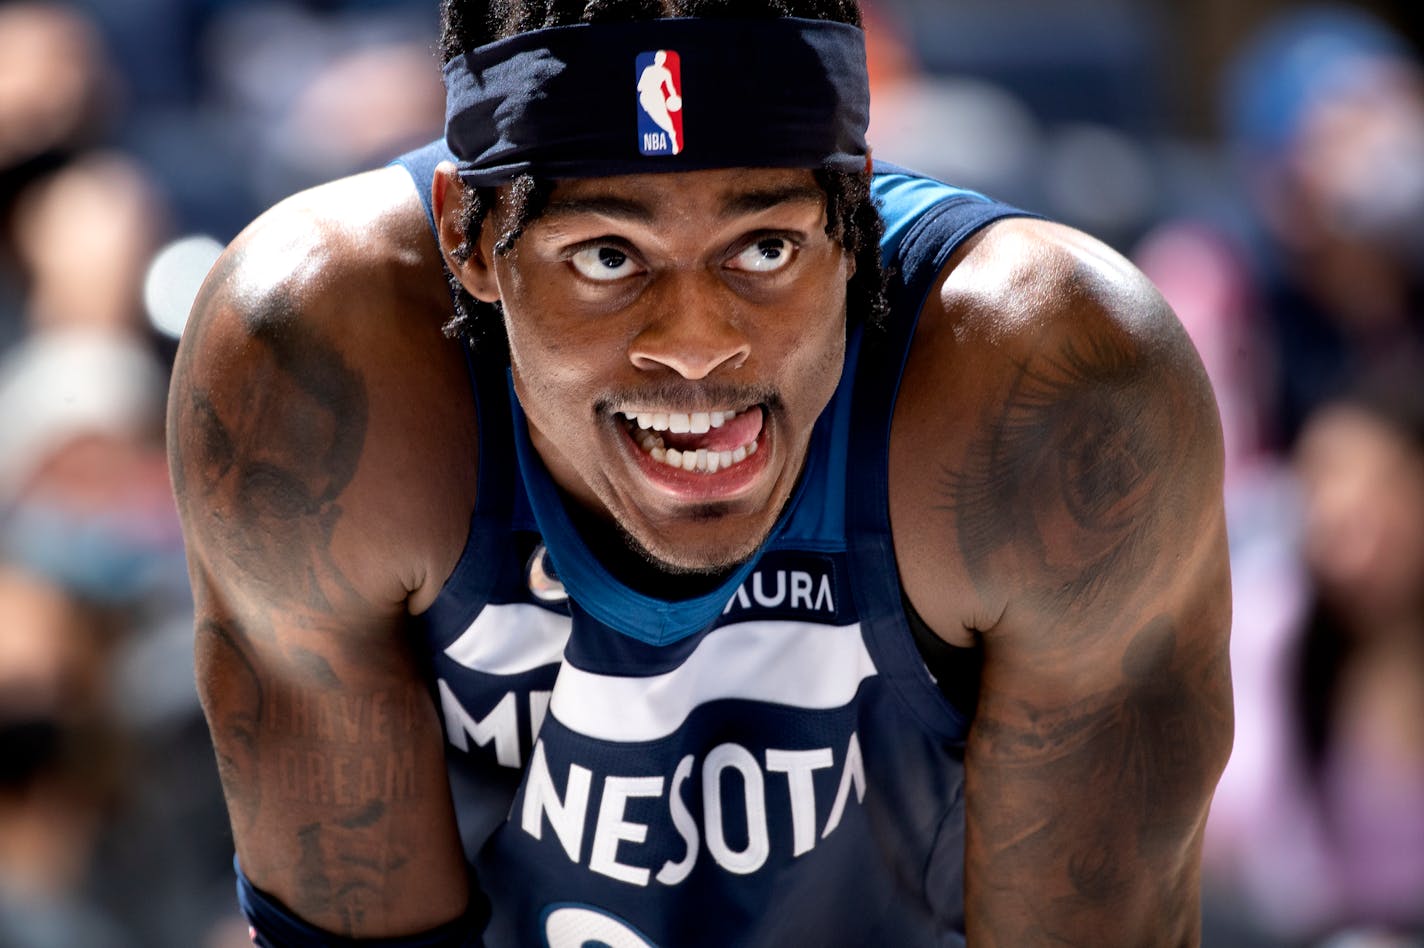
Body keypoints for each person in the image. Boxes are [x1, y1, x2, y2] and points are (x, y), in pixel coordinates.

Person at [167, 0, 1233, 944]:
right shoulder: (314, 376)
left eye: (762, 247)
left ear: (853, 214)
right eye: (607, 257)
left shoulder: (1053, 408)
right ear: (469, 238)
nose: (694, 343)